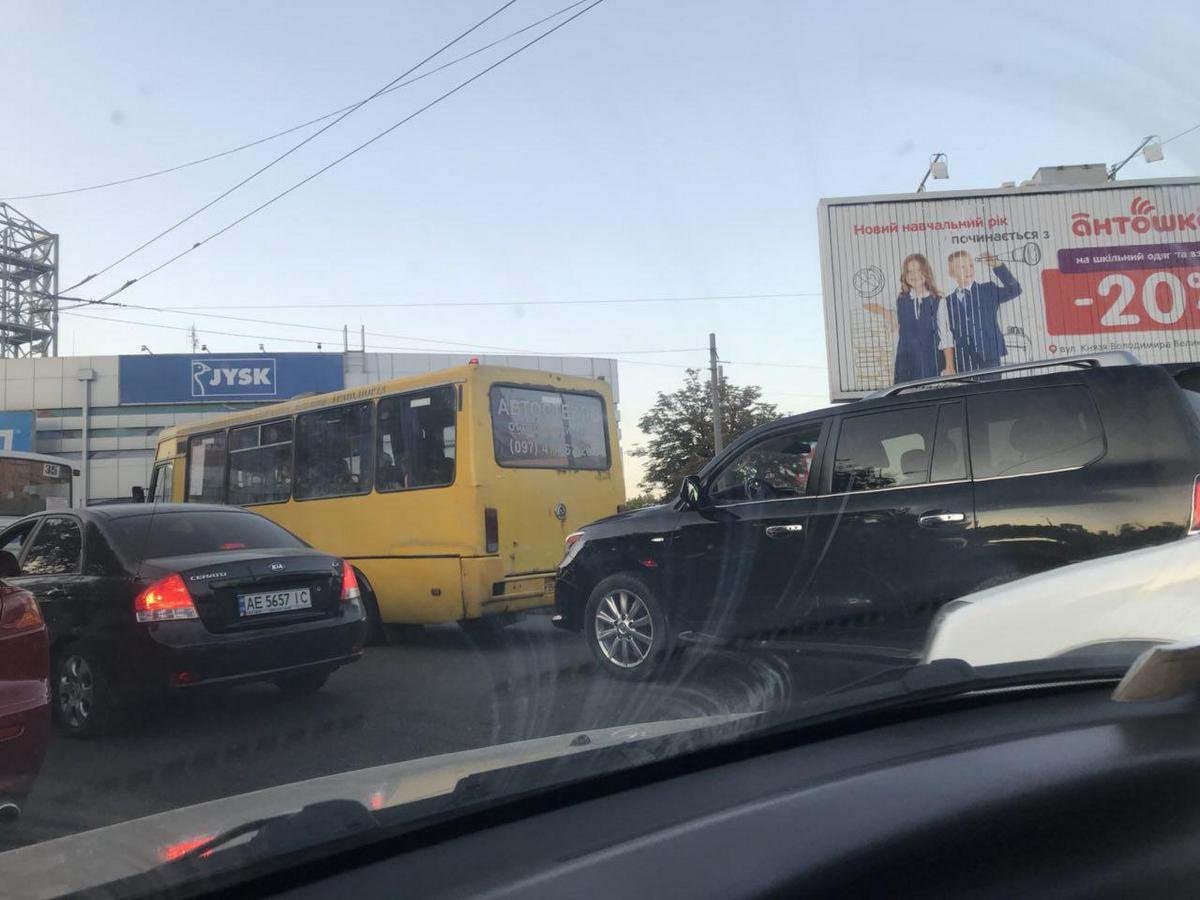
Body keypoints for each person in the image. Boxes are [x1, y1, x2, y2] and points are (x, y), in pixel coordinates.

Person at [866, 253, 955, 383]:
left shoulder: (938, 301)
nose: (914, 275)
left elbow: (946, 336)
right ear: (905, 275)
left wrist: (950, 367)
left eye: (919, 270)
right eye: (909, 271)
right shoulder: (900, 299)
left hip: (931, 362)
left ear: (926, 272)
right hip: (905, 364)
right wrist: (890, 316)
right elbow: (868, 303)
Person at [944, 250, 1022, 373]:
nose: (968, 270)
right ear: (952, 273)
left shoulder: (988, 290)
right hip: (963, 359)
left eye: (970, 265)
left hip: (990, 354)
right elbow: (945, 334)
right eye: (962, 267)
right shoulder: (947, 302)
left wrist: (997, 265)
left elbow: (1015, 289)